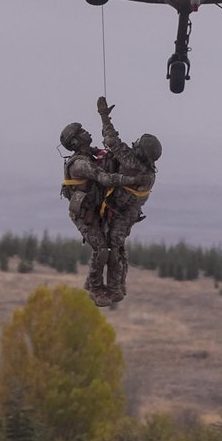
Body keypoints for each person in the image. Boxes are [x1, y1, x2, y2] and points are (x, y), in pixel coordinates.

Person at [59, 121, 142, 306]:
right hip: (84, 216)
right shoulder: (80, 164)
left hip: (95, 211)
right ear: (74, 142)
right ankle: (96, 289)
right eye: (81, 132)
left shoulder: (89, 154)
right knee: (102, 249)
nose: (86, 132)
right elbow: (104, 178)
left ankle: (109, 285)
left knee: (115, 247)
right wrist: (133, 179)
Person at [96, 96, 160, 302]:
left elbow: (111, 141)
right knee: (119, 247)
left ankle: (114, 289)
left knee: (112, 248)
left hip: (120, 213)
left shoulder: (133, 164)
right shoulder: (149, 171)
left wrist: (104, 116)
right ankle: (120, 285)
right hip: (130, 214)